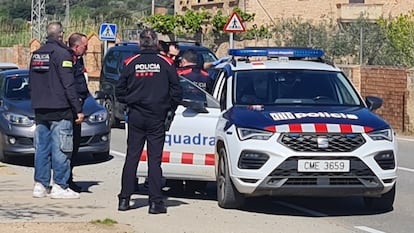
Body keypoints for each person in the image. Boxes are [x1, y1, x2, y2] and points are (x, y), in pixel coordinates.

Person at [115, 28, 183, 214]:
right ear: (156, 43)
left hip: (136, 115)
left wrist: (129, 102)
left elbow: (119, 91)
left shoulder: (130, 63)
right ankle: (155, 203)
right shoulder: (166, 62)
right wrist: (170, 109)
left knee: (132, 157)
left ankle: (124, 199)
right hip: (157, 116)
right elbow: (177, 92)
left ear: (139, 43)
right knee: (154, 160)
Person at [29, 21, 84, 199]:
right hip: (60, 109)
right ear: (61, 35)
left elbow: (32, 82)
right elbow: (69, 84)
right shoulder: (62, 54)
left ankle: (40, 185)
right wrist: (78, 109)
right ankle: (60, 185)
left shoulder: (37, 54)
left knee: (42, 148)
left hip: (40, 109)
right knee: (62, 148)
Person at [67, 32, 90, 192]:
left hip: (78, 105)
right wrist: (77, 107)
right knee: (67, 147)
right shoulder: (68, 59)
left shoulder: (78, 59)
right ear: (76, 46)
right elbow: (70, 85)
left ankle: (69, 178)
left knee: (74, 147)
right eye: (85, 46)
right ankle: (65, 180)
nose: (87, 49)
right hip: (70, 109)